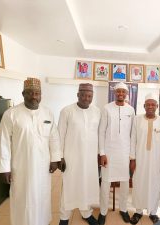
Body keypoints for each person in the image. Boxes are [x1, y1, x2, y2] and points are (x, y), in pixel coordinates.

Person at [0, 77, 61, 225]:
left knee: (42, 196)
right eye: (30, 93)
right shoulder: (11, 114)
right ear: (23, 94)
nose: (34, 96)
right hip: (21, 167)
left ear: (41, 95)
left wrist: (55, 158)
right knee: (22, 198)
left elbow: (54, 137)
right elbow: (3, 142)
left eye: (37, 93)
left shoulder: (48, 113)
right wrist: (4, 168)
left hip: (43, 166)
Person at [58, 83, 101, 225]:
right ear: (78, 95)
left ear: (92, 97)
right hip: (72, 157)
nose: (86, 98)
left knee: (86, 185)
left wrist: (101, 154)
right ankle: (64, 217)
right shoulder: (67, 111)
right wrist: (60, 156)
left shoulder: (97, 112)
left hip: (89, 158)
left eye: (89, 96)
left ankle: (86, 213)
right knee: (69, 186)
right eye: (83, 95)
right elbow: (60, 135)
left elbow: (100, 134)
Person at [98, 82, 135, 225]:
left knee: (125, 183)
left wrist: (132, 156)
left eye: (123, 92)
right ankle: (102, 212)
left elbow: (133, 134)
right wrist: (102, 153)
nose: (120, 94)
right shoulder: (107, 108)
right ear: (115, 93)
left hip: (125, 152)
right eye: (118, 91)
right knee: (105, 183)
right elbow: (101, 131)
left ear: (126, 94)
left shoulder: (131, 110)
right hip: (109, 152)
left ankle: (124, 209)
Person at [129, 93, 160, 224]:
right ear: (144, 106)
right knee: (139, 183)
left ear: (157, 106)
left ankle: (153, 212)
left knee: (155, 184)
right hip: (140, 158)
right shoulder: (137, 119)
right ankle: (138, 211)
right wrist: (132, 159)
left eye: (153, 104)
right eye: (148, 104)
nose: (150, 107)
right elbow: (133, 139)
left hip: (156, 159)